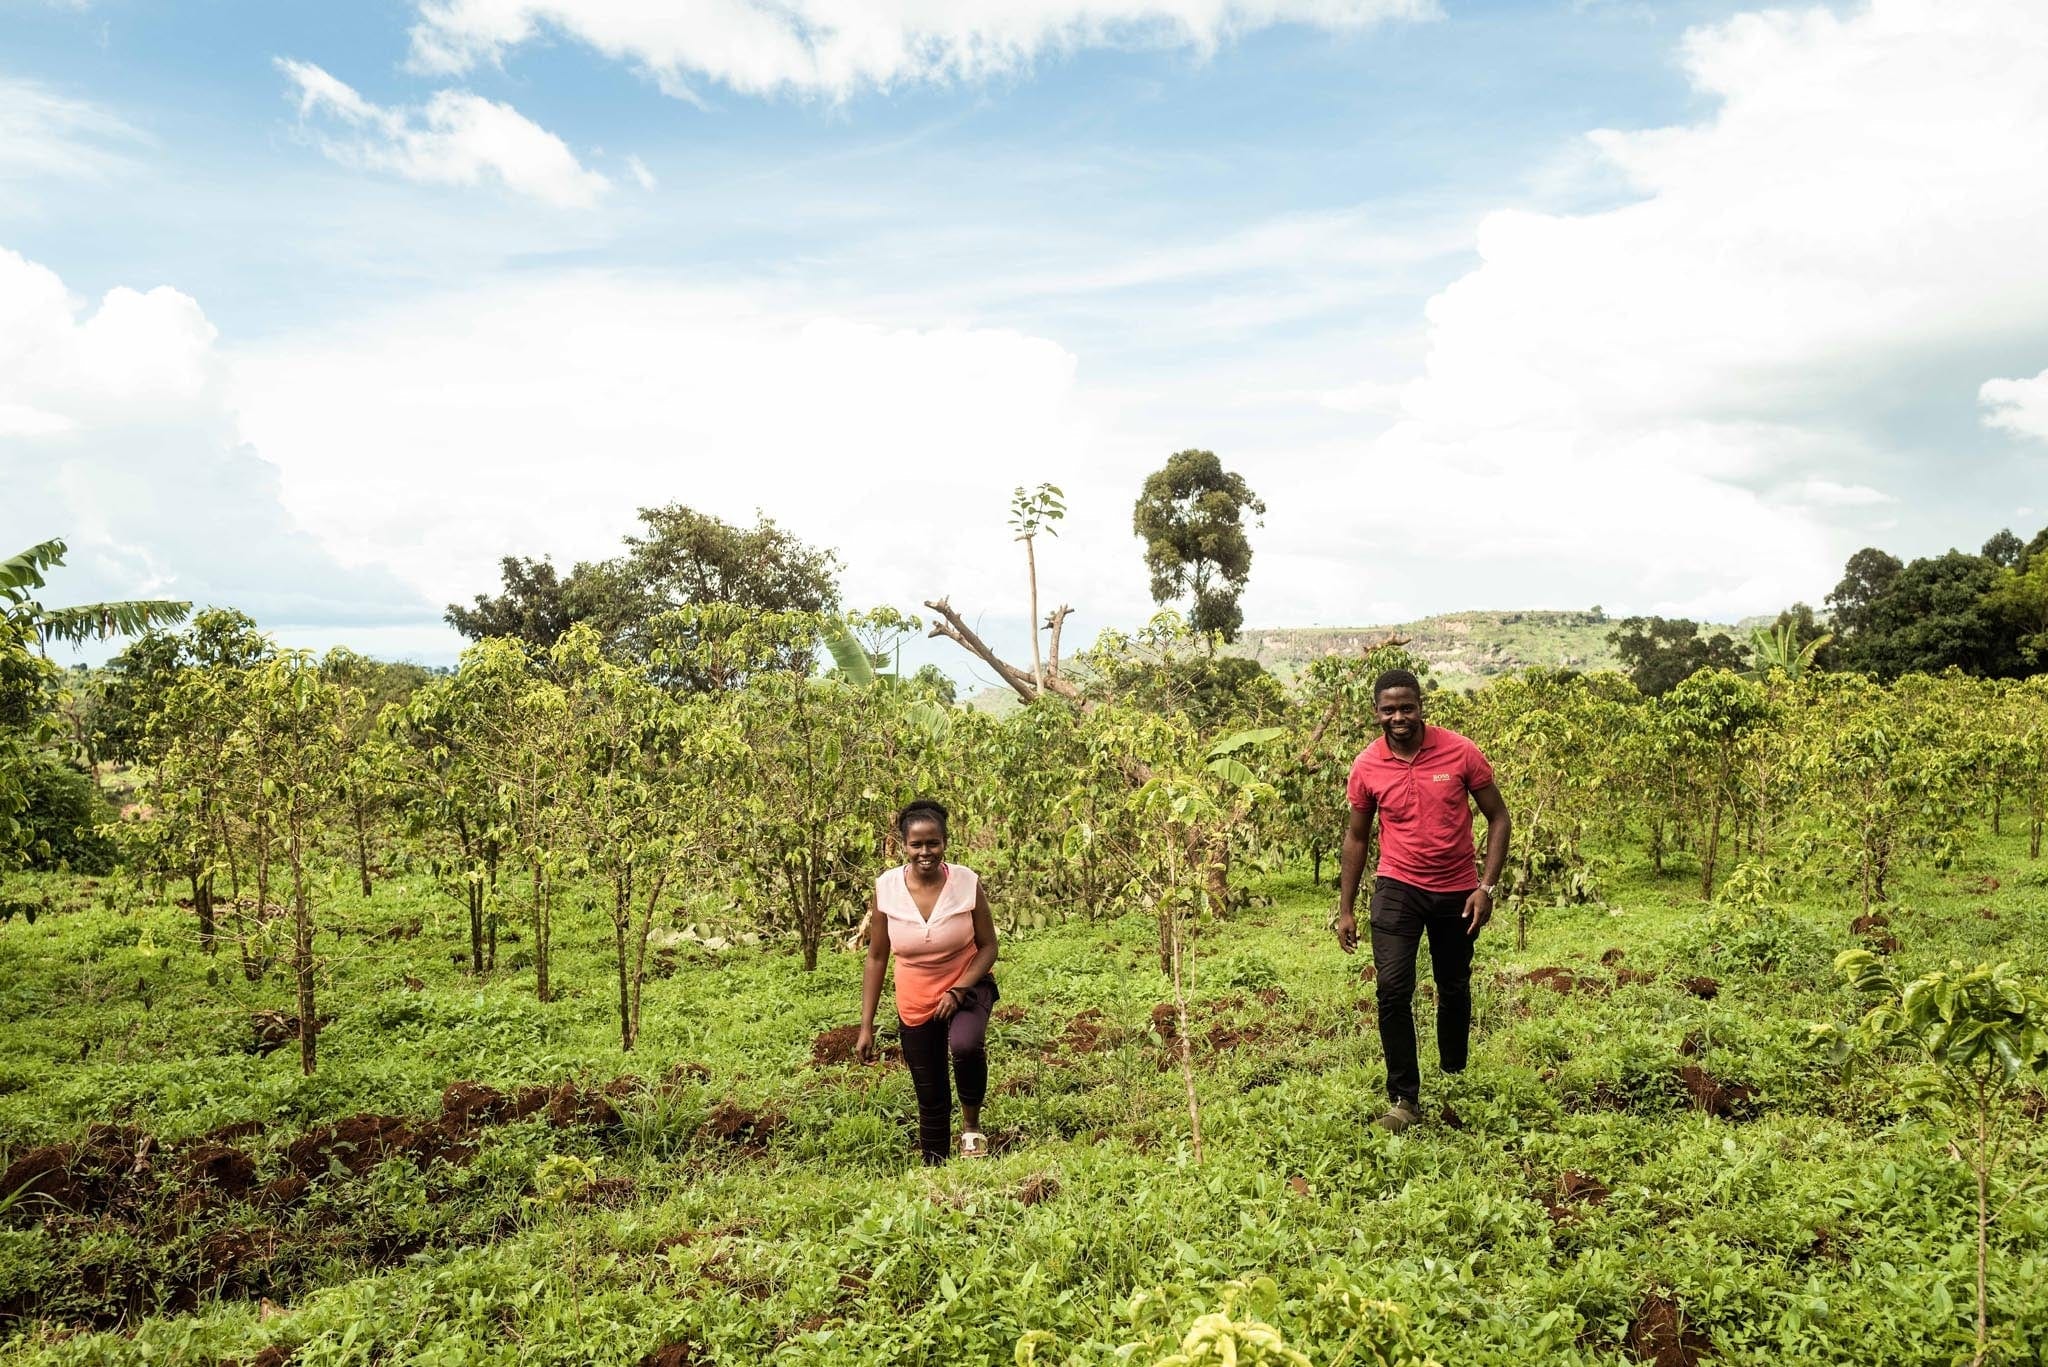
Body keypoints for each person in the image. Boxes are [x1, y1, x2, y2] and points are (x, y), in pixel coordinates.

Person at [1334, 668, 1511, 1134]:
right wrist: (1346, 908)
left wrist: (1486, 887)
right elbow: (1356, 838)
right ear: (1376, 712)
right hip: (1397, 886)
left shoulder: (1461, 751)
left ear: (1420, 706)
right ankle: (1404, 1099)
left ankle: (1454, 1070)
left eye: (1406, 707)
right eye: (1389, 709)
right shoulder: (1367, 765)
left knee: (1453, 985)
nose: (1399, 717)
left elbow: (1498, 818)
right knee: (1393, 989)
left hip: (1457, 888)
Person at [856, 799, 1001, 1163]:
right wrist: (866, 1026)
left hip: (967, 984)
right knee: (930, 1090)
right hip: (915, 998)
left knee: (966, 1046)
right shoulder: (886, 889)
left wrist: (959, 988)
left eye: (933, 843)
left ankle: (971, 1132)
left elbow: (988, 947)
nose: (925, 852)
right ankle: (935, 1164)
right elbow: (876, 957)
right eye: (916, 844)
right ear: (903, 845)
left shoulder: (967, 882)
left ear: (945, 842)